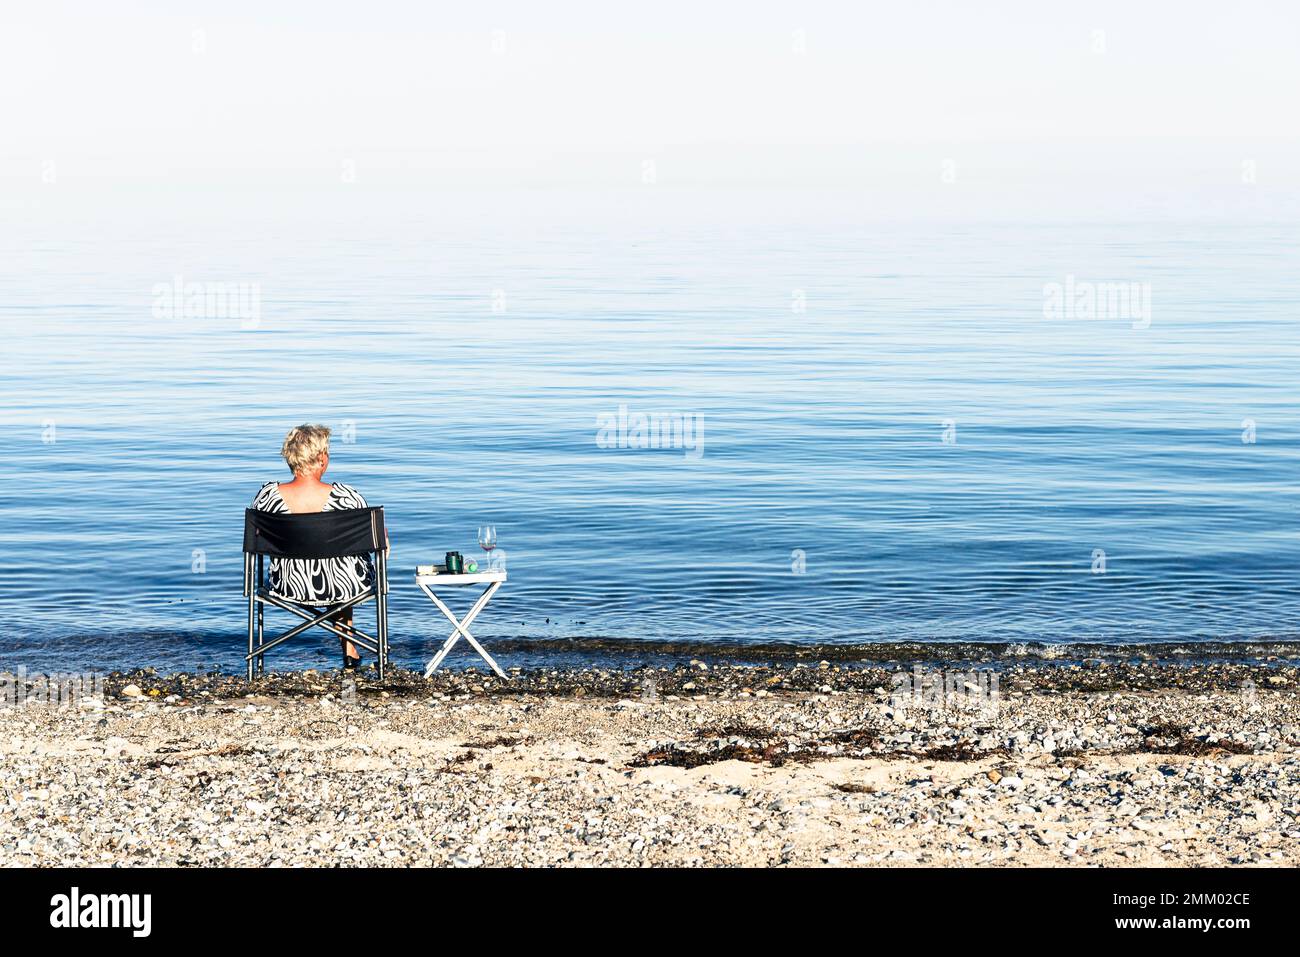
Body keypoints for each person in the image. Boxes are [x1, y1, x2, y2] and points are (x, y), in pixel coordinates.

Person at [250, 424, 382, 669]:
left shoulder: (267, 496)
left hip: (289, 586)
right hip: (343, 586)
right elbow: (378, 542)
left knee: (336, 564)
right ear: (322, 458)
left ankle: (257, 659)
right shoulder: (347, 497)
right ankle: (350, 650)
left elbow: (257, 539)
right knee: (345, 567)